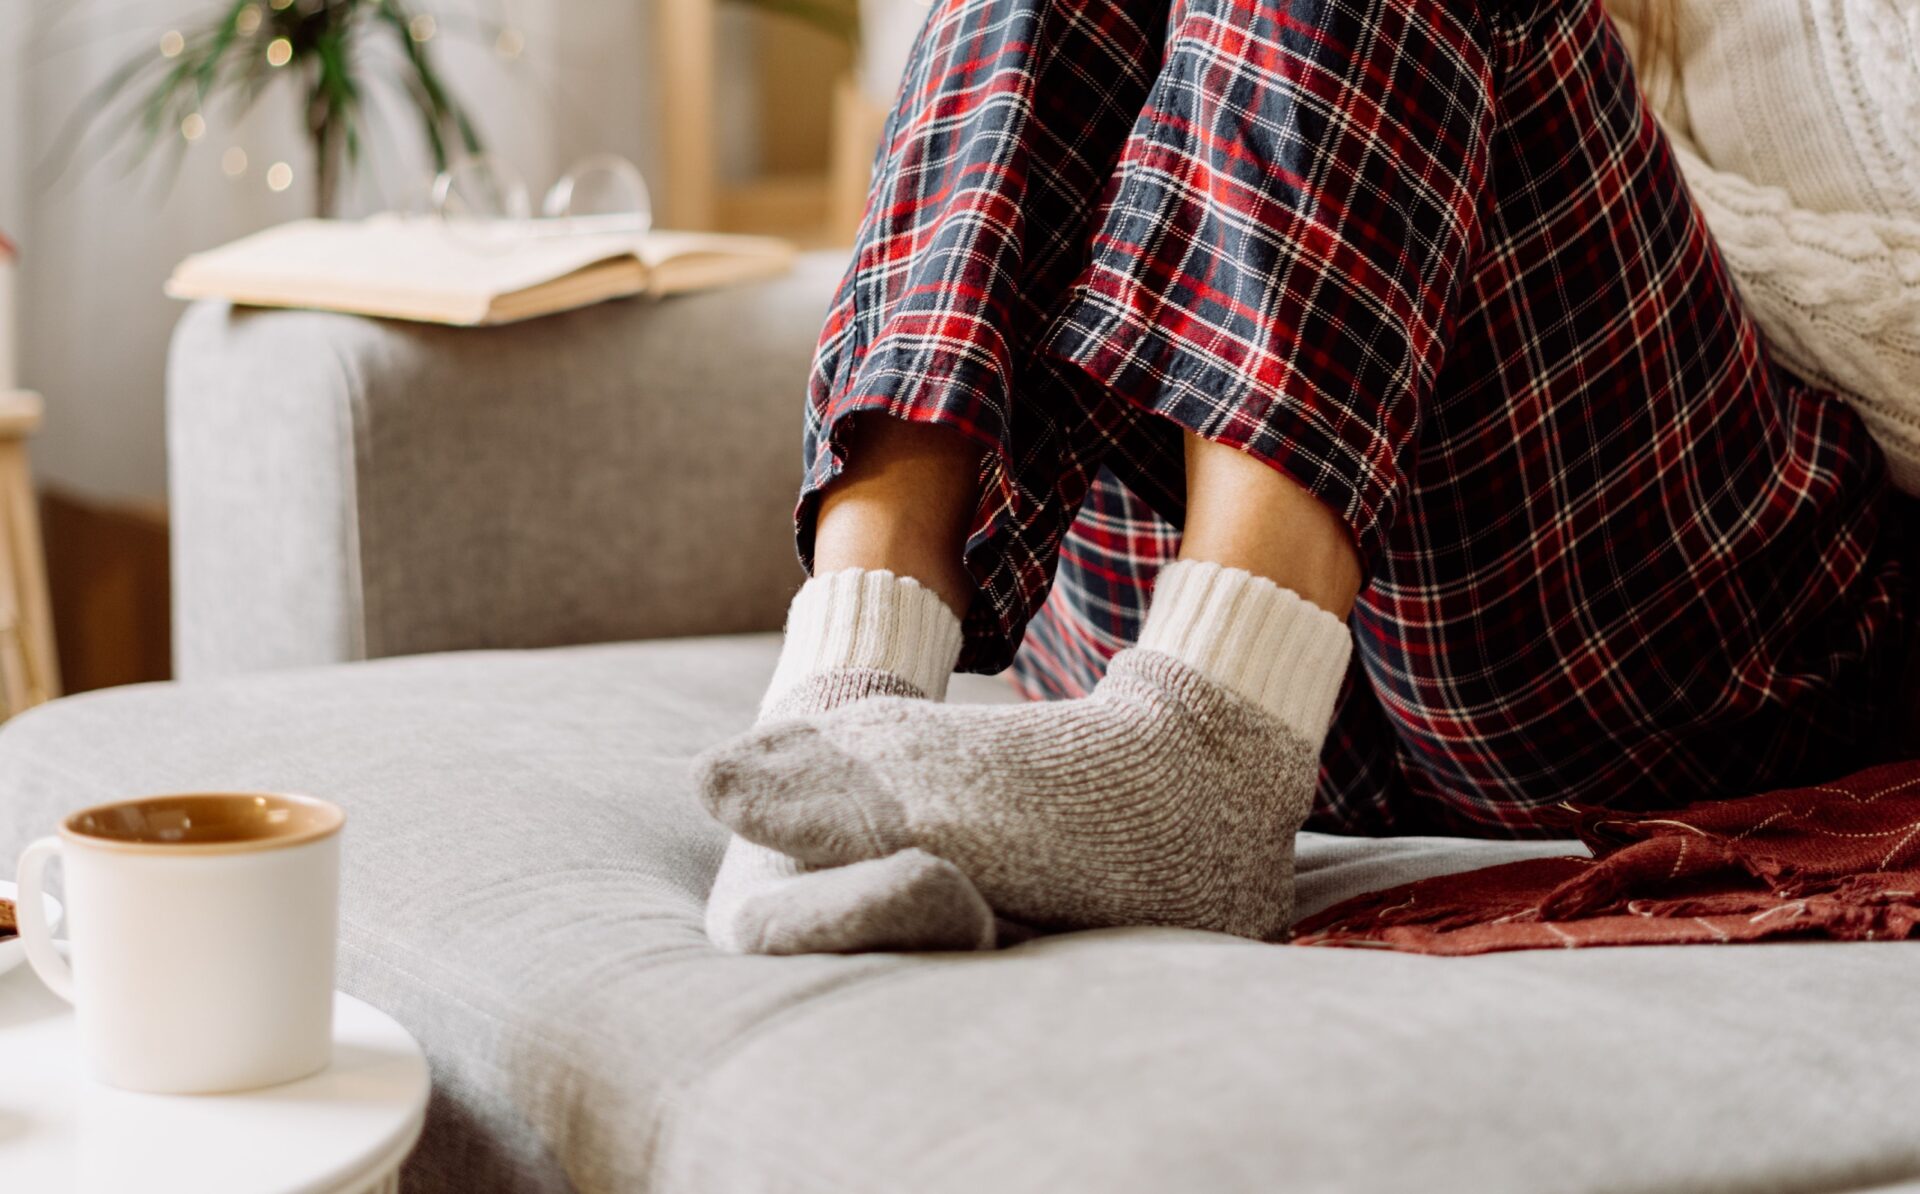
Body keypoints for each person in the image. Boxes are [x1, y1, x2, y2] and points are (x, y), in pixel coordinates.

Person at [695, 0, 1916, 955]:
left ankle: (1208, 748)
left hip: (1661, 624)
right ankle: (850, 688)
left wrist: (1476, 141)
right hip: (1190, 605)